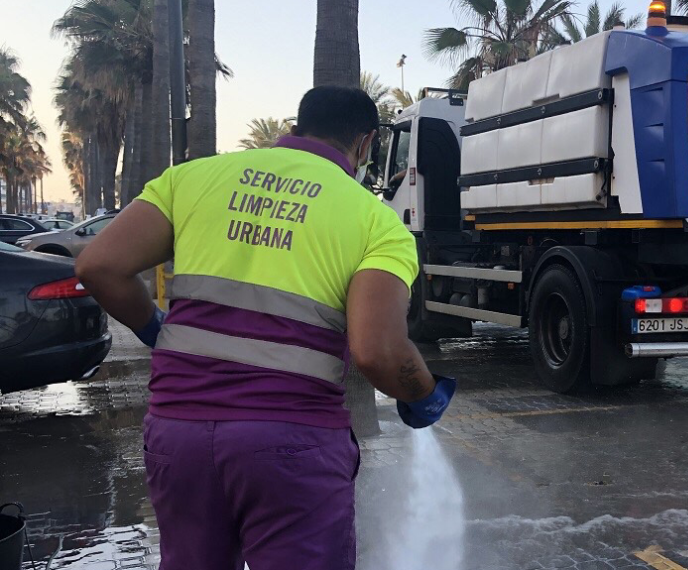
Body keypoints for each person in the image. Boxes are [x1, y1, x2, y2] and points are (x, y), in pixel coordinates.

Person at [76, 86, 455, 569]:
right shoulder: (376, 222)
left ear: (296, 127)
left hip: (180, 433)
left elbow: (99, 266)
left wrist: (154, 326)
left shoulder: (193, 179)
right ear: (365, 144)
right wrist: (422, 394)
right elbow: (378, 351)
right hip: (291, 444)